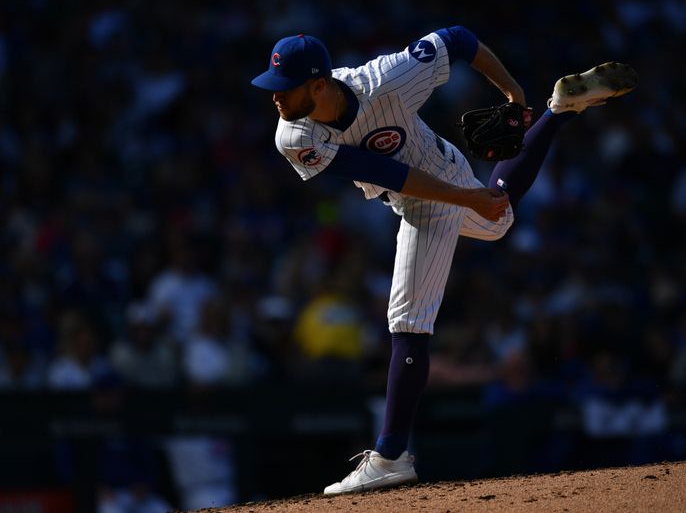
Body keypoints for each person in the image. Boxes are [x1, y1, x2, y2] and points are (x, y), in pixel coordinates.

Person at [251, 26, 636, 495]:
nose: (275, 98)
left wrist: (513, 93)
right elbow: (378, 170)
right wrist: (470, 198)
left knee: (408, 321)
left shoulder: (385, 79)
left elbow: (459, 38)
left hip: (432, 190)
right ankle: (559, 110)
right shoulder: (293, 134)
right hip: (427, 184)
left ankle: (391, 456)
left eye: (284, 88)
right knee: (499, 218)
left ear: (318, 84)